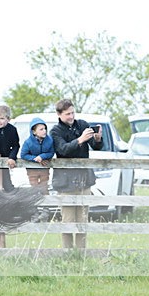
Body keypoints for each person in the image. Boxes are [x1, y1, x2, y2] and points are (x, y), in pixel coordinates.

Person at [51, 98, 103, 249]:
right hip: (66, 182)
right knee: (67, 221)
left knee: (82, 220)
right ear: (59, 114)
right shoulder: (55, 131)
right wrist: (80, 140)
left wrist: (97, 139)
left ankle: (82, 253)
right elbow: (62, 150)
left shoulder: (82, 125)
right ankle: (67, 252)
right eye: (68, 114)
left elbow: (96, 146)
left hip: (84, 179)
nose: (71, 116)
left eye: (73, 112)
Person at [20, 117, 55, 196]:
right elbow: (23, 155)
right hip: (32, 169)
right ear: (34, 131)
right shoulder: (28, 142)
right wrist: (35, 159)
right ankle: (34, 207)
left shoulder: (49, 140)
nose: (44, 131)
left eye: (45, 128)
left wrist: (42, 156)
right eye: (41, 129)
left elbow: (51, 152)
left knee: (44, 187)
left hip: (44, 167)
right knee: (34, 188)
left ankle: (46, 206)